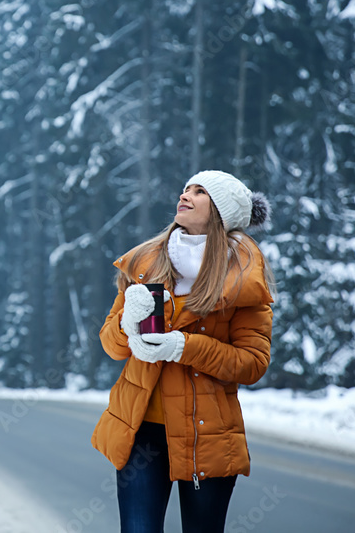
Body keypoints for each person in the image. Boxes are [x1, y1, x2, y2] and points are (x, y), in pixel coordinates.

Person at [91, 170, 275, 533]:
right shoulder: (145, 263)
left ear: (221, 211)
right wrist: (128, 322)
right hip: (141, 429)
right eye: (186, 188)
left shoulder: (243, 277)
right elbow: (111, 347)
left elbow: (252, 363)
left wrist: (184, 347)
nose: (185, 194)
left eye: (200, 191)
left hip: (207, 433)